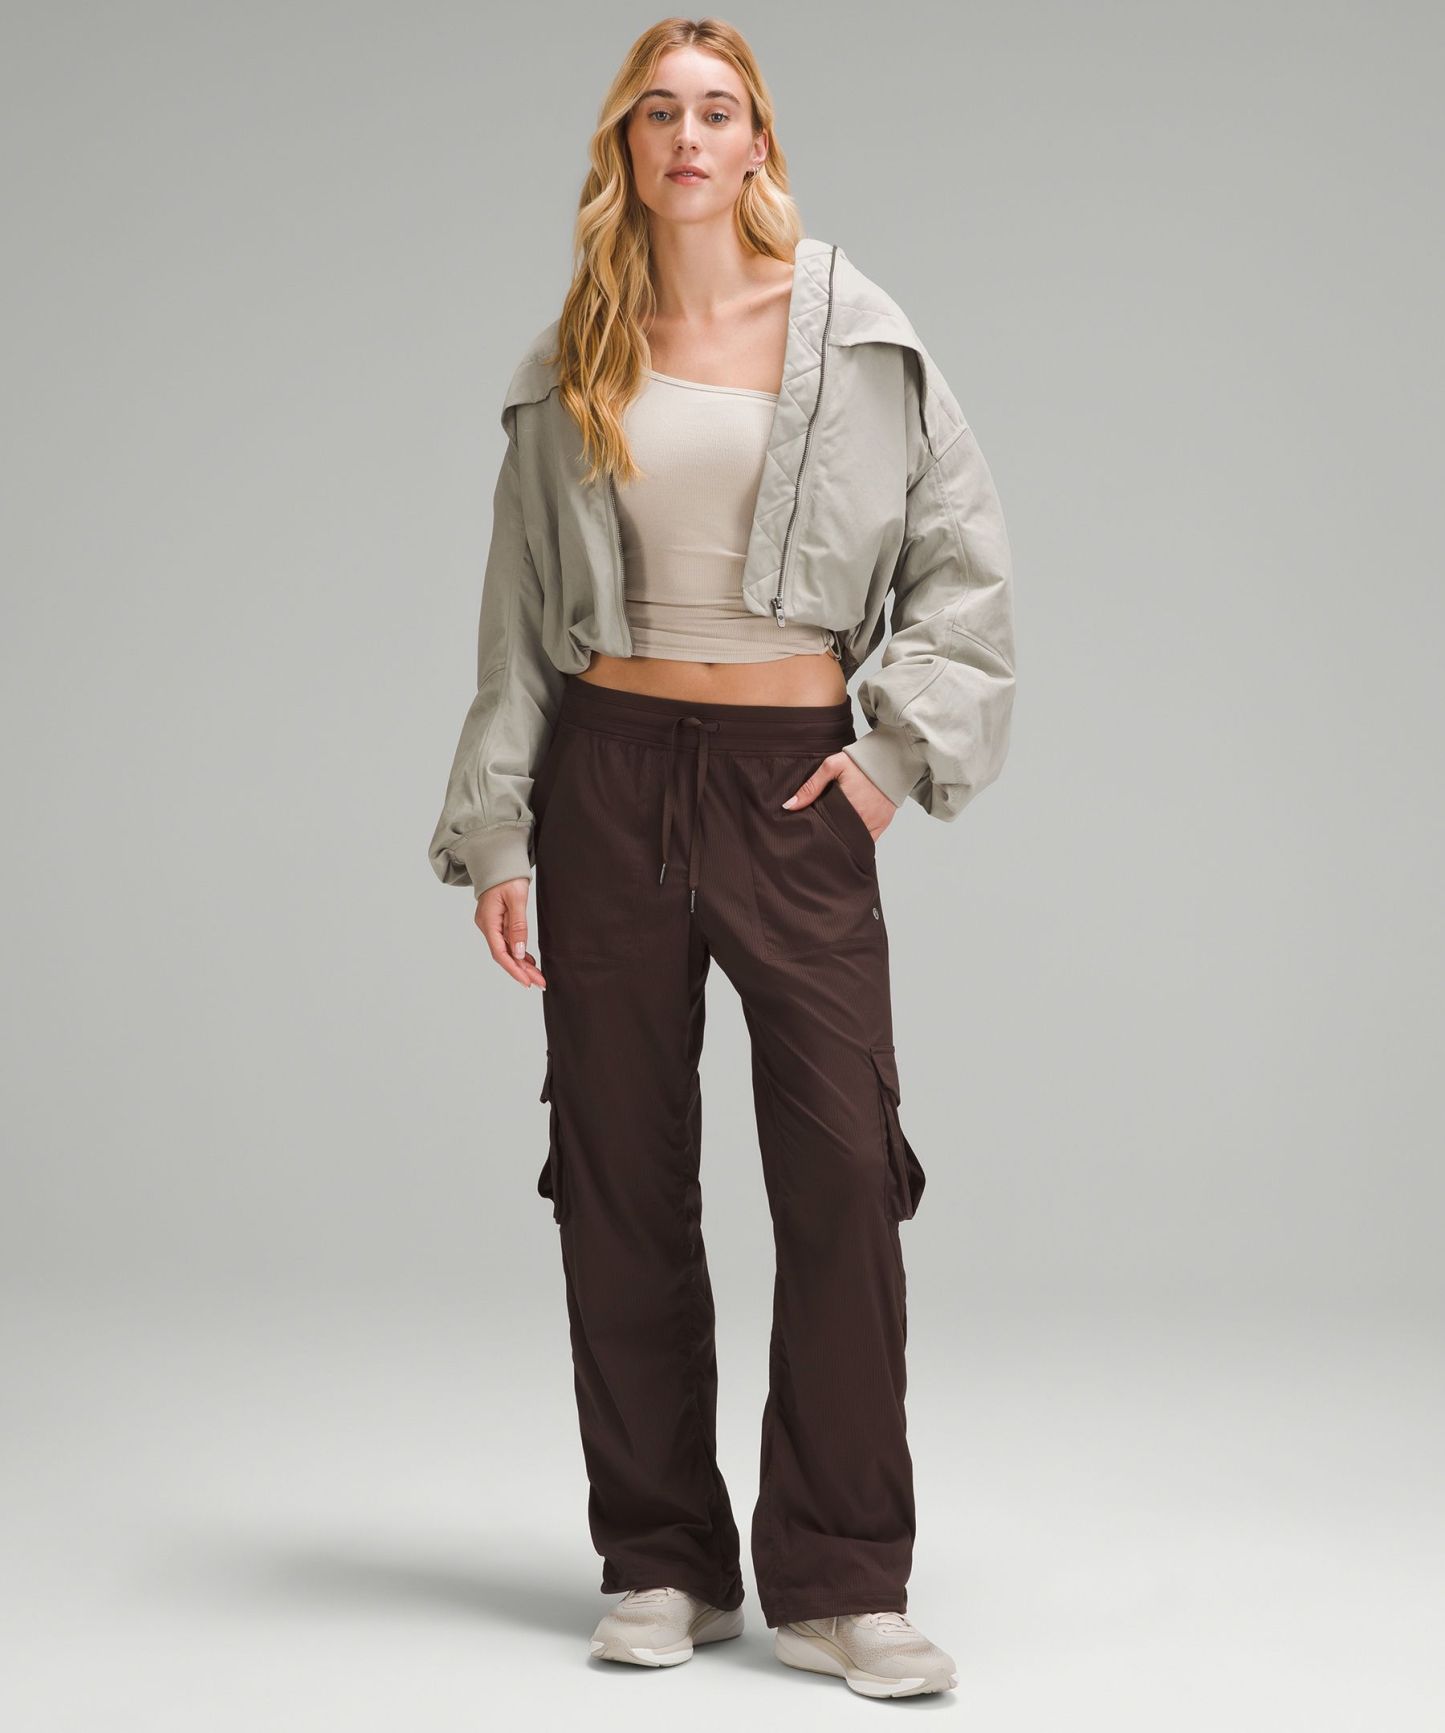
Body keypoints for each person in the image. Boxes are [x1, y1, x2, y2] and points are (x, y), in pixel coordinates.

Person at [427, 18, 1015, 1702]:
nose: (687, 137)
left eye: (717, 110)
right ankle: (661, 1558)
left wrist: (887, 762)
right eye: (657, 113)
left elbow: (964, 571)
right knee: (618, 1171)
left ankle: (840, 1576)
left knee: (840, 1171)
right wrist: (499, 828)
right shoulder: (572, 360)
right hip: (605, 777)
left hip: (790, 785)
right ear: (623, 147)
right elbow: (515, 628)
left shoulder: (862, 341)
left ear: (759, 142)